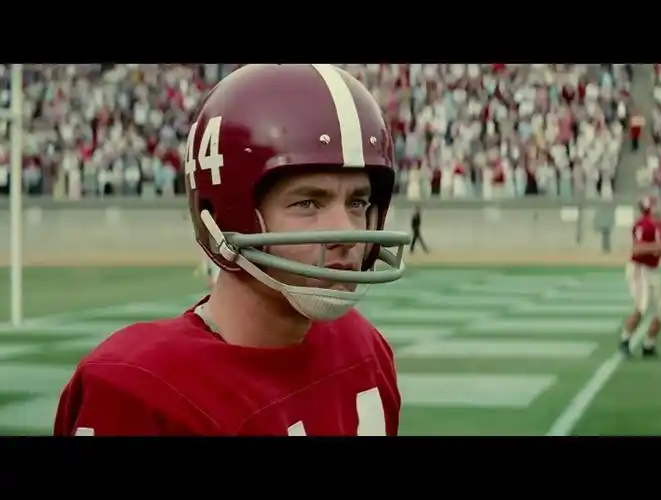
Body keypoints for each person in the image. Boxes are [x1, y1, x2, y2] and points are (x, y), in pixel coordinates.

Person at [54, 64, 412, 436]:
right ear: (227, 215)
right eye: (307, 203)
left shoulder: (363, 346)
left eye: (357, 202)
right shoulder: (137, 389)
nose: (348, 232)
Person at [620, 196, 661, 358]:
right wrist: (659, 247)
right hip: (639, 269)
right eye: (656, 204)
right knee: (641, 307)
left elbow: (660, 251)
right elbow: (637, 250)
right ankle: (625, 340)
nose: (660, 206)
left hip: (652, 270)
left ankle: (648, 345)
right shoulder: (643, 224)